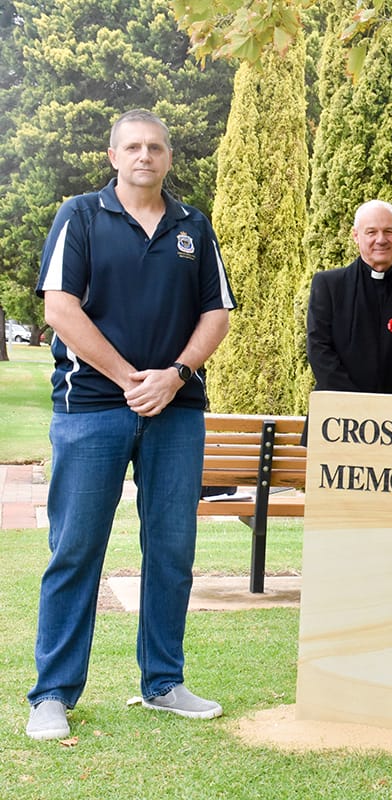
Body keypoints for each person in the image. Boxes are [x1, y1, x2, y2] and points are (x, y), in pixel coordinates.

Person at [26, 109, 236, 740]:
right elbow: (60, 307)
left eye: (157, 147)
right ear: (113, 155)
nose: (146, 155)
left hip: (177, 410)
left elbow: (216, 314)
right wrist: (127, 379)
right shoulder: (81, 217)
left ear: (169, 157)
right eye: (134, 146)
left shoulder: (193, 225)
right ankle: (53, 696)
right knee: (76, 550)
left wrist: (172, 374)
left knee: (171, 550)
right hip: (91, 407)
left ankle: (164, 683)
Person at [306, 200, 392, 397]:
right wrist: (360, 406)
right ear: (356, 236)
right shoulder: (328, 286)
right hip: (337, 412)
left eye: (388, 231)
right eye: (371, 232)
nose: (381, 239)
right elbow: (319, 350)